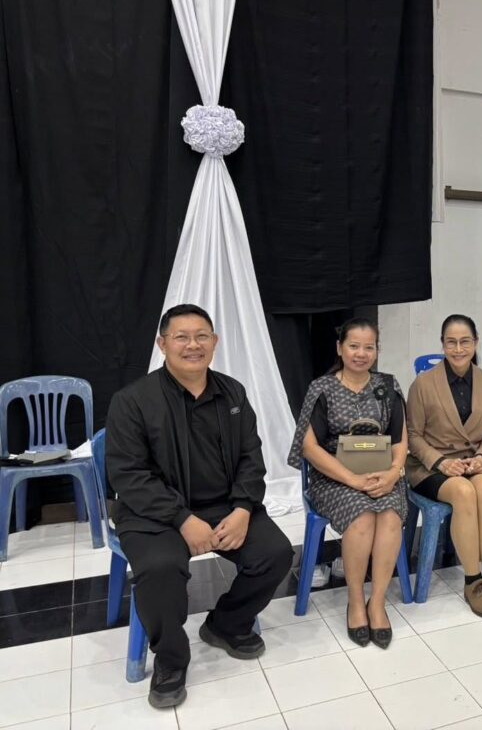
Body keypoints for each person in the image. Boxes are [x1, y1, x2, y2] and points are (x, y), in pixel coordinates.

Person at [106, 304, 294, 710]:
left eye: (201, 336)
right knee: (160, 569)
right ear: (163, 344)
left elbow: (251, 458)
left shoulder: (232, 393)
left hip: (224, 505)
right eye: (182, 337)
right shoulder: (132, 401)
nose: (193, 345)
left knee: (276, 553)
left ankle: (226, 624)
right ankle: (171, 659)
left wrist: (242, 509)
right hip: (153, 512)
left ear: (214, 342)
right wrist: (181, 518)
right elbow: (128, 476)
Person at [288, 319, 407, 649]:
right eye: (354, 346)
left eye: (369, 347)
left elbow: (400, 439)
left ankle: (377, 602)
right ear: (340, 348)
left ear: (377, 351)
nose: (361, 353)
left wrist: (393, 472)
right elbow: (309, 447)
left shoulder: (388, 385)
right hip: (334, 478)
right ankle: (356, 601)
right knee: (363, 517)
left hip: (381, 474)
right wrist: (352, 479)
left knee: (390, 517)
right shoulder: (322, 388)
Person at [406, 315, 482, 618]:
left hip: (472, 461)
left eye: (465, 341)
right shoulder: (423, 384)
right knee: (464, 493)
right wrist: (441, 462)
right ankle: (473, 581)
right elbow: (412, 436)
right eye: (451, 342)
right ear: (442, 344)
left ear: (476, 343)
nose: (458, 349)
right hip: (430, 466)